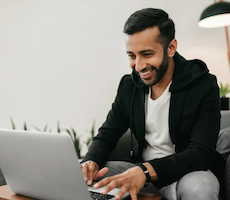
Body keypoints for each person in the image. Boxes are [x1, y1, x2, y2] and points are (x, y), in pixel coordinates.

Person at [81, 8, 224, 200]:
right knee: (79, 176)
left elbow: (201, 153)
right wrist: (90, 162)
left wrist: (146, 171)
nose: (138, 66)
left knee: (200, 189)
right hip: (138, 170)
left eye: (147, 54)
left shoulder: (203, 84)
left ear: (171, 48)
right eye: (132, 56)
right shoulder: (129, 86)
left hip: (187, 173)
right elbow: (107, 136)